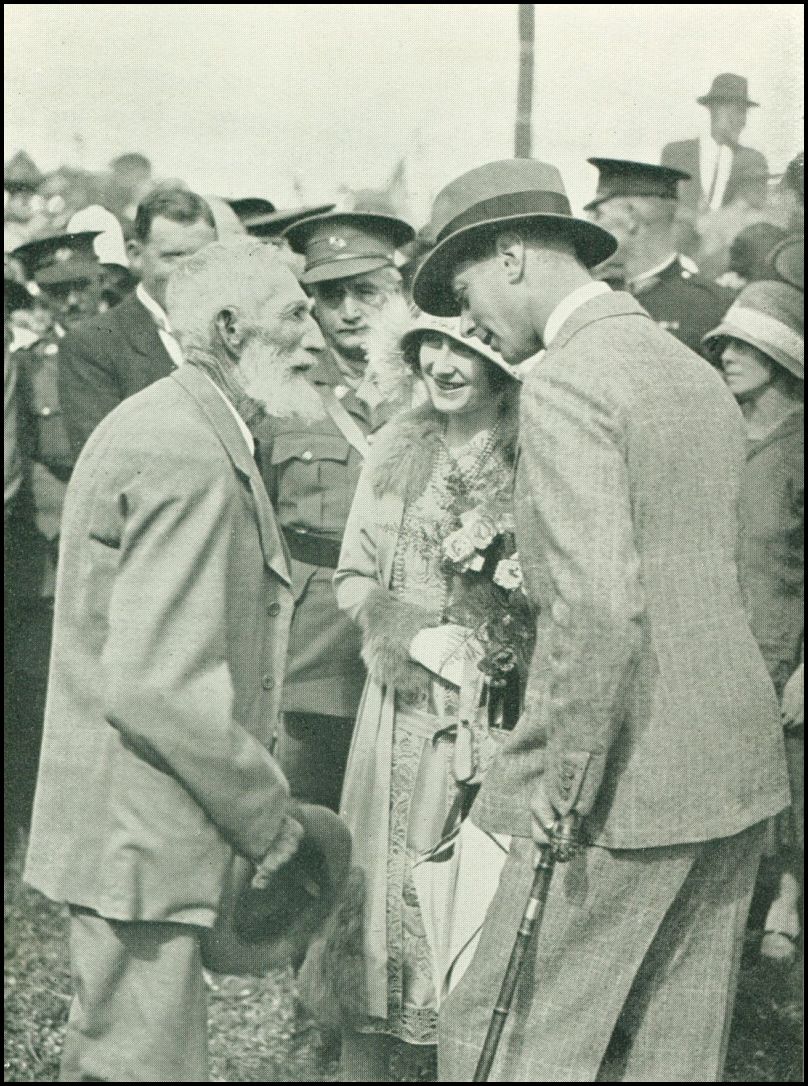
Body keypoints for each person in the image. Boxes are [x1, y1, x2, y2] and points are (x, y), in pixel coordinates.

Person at [411, 157, 789, 1082]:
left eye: (463, 291)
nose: (467, 324)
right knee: (675, 1051)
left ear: (508, 257)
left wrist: (566, 783)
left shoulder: (571, 381)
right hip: (731, 767)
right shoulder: (683, 366)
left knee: (508, 1042)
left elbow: (596, 603)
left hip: (620, 780)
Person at [23, 238, 327, 1081]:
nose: (317, 340)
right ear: (230, 329)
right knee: (135, 1067)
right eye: (295, 316)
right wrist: (266, 816)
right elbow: (160, 685)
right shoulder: (185, 446)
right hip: (141, 831)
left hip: (139, 828)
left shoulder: (182, 423)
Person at [333, 313, 521, 1079]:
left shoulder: (531, 453)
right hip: (400, 714)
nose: (443, 365)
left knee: (477, 903)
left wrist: (496, 646)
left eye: (466, 349)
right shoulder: (395, 446)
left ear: (502, 361)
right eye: (430, 348)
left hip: (500, 715)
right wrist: (410, 635)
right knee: (382, 900)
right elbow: (352, 576)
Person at [256, 210, 414, 812]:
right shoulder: (280, 391)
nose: (349, 310)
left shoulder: (437, 380)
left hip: (412, 626)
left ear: (397, 290)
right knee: (303, 814)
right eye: (330, 294)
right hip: (315, 646)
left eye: (366, 291)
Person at [703, 281, 804, 967]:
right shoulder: (715, 431)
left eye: (745, 343)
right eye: (725, 344)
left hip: (783, 648)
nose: (728, 355)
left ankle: (787, 904)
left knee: (793, 782)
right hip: (719, 647)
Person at [7, 231, 107, 831]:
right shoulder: (29, 362)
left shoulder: (126, 351)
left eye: (82, 287)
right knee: (42, 681)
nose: (71, 301)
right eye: (57, 291)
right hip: (49, 545)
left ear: (100, 284)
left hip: (113, 538)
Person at [57, 187, 217, 460]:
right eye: (173, 256)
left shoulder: (237, 329)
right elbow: (106, 465)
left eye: (203, 258)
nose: (190, 272)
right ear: (135, 255)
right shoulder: (93, 345)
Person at [586, 158, 733, 354]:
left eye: (598, 215)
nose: (591, 224)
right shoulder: (595, 293)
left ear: (632, 218)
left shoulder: (713, 306)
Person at [662, 73, 769, 214]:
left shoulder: (753, 161)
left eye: (743, 112)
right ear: (713, 109)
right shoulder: (675, 154)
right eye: (733, 110)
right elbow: (664, 207)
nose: (741, 121)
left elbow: (749, 205)